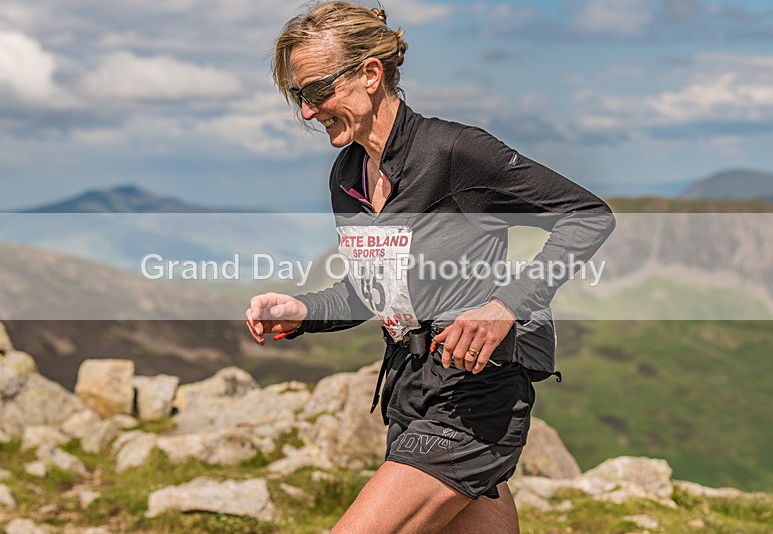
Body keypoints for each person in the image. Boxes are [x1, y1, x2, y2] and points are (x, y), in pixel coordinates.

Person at [246, 2, 616, 532]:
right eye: (297, 97)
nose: (307, 111)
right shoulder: (347, 174)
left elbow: (586, 216)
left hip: (473, 397)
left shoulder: (455, 152)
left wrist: (508, 304)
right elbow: (374, 293)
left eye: (316, 92)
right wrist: (301, 310)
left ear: (370, 74)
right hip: (408, 398)